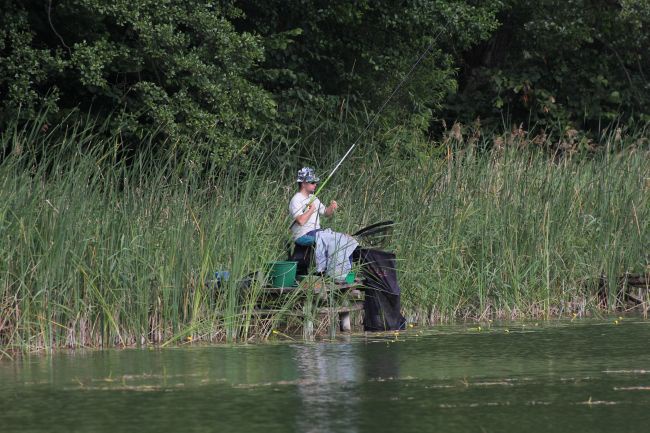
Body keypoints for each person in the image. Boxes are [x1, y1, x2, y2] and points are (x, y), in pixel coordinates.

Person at [289, 167, 338, 245]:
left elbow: (326, 213)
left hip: (316, 232)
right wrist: (311, 210)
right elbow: (301, 221)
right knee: (329, 239)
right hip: (303, 235)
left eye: (315, 182)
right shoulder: (296, 199)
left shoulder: (314, 198)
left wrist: (332, 207)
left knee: (337, 238)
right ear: (303, 183)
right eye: (312, 182)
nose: (315, 184)